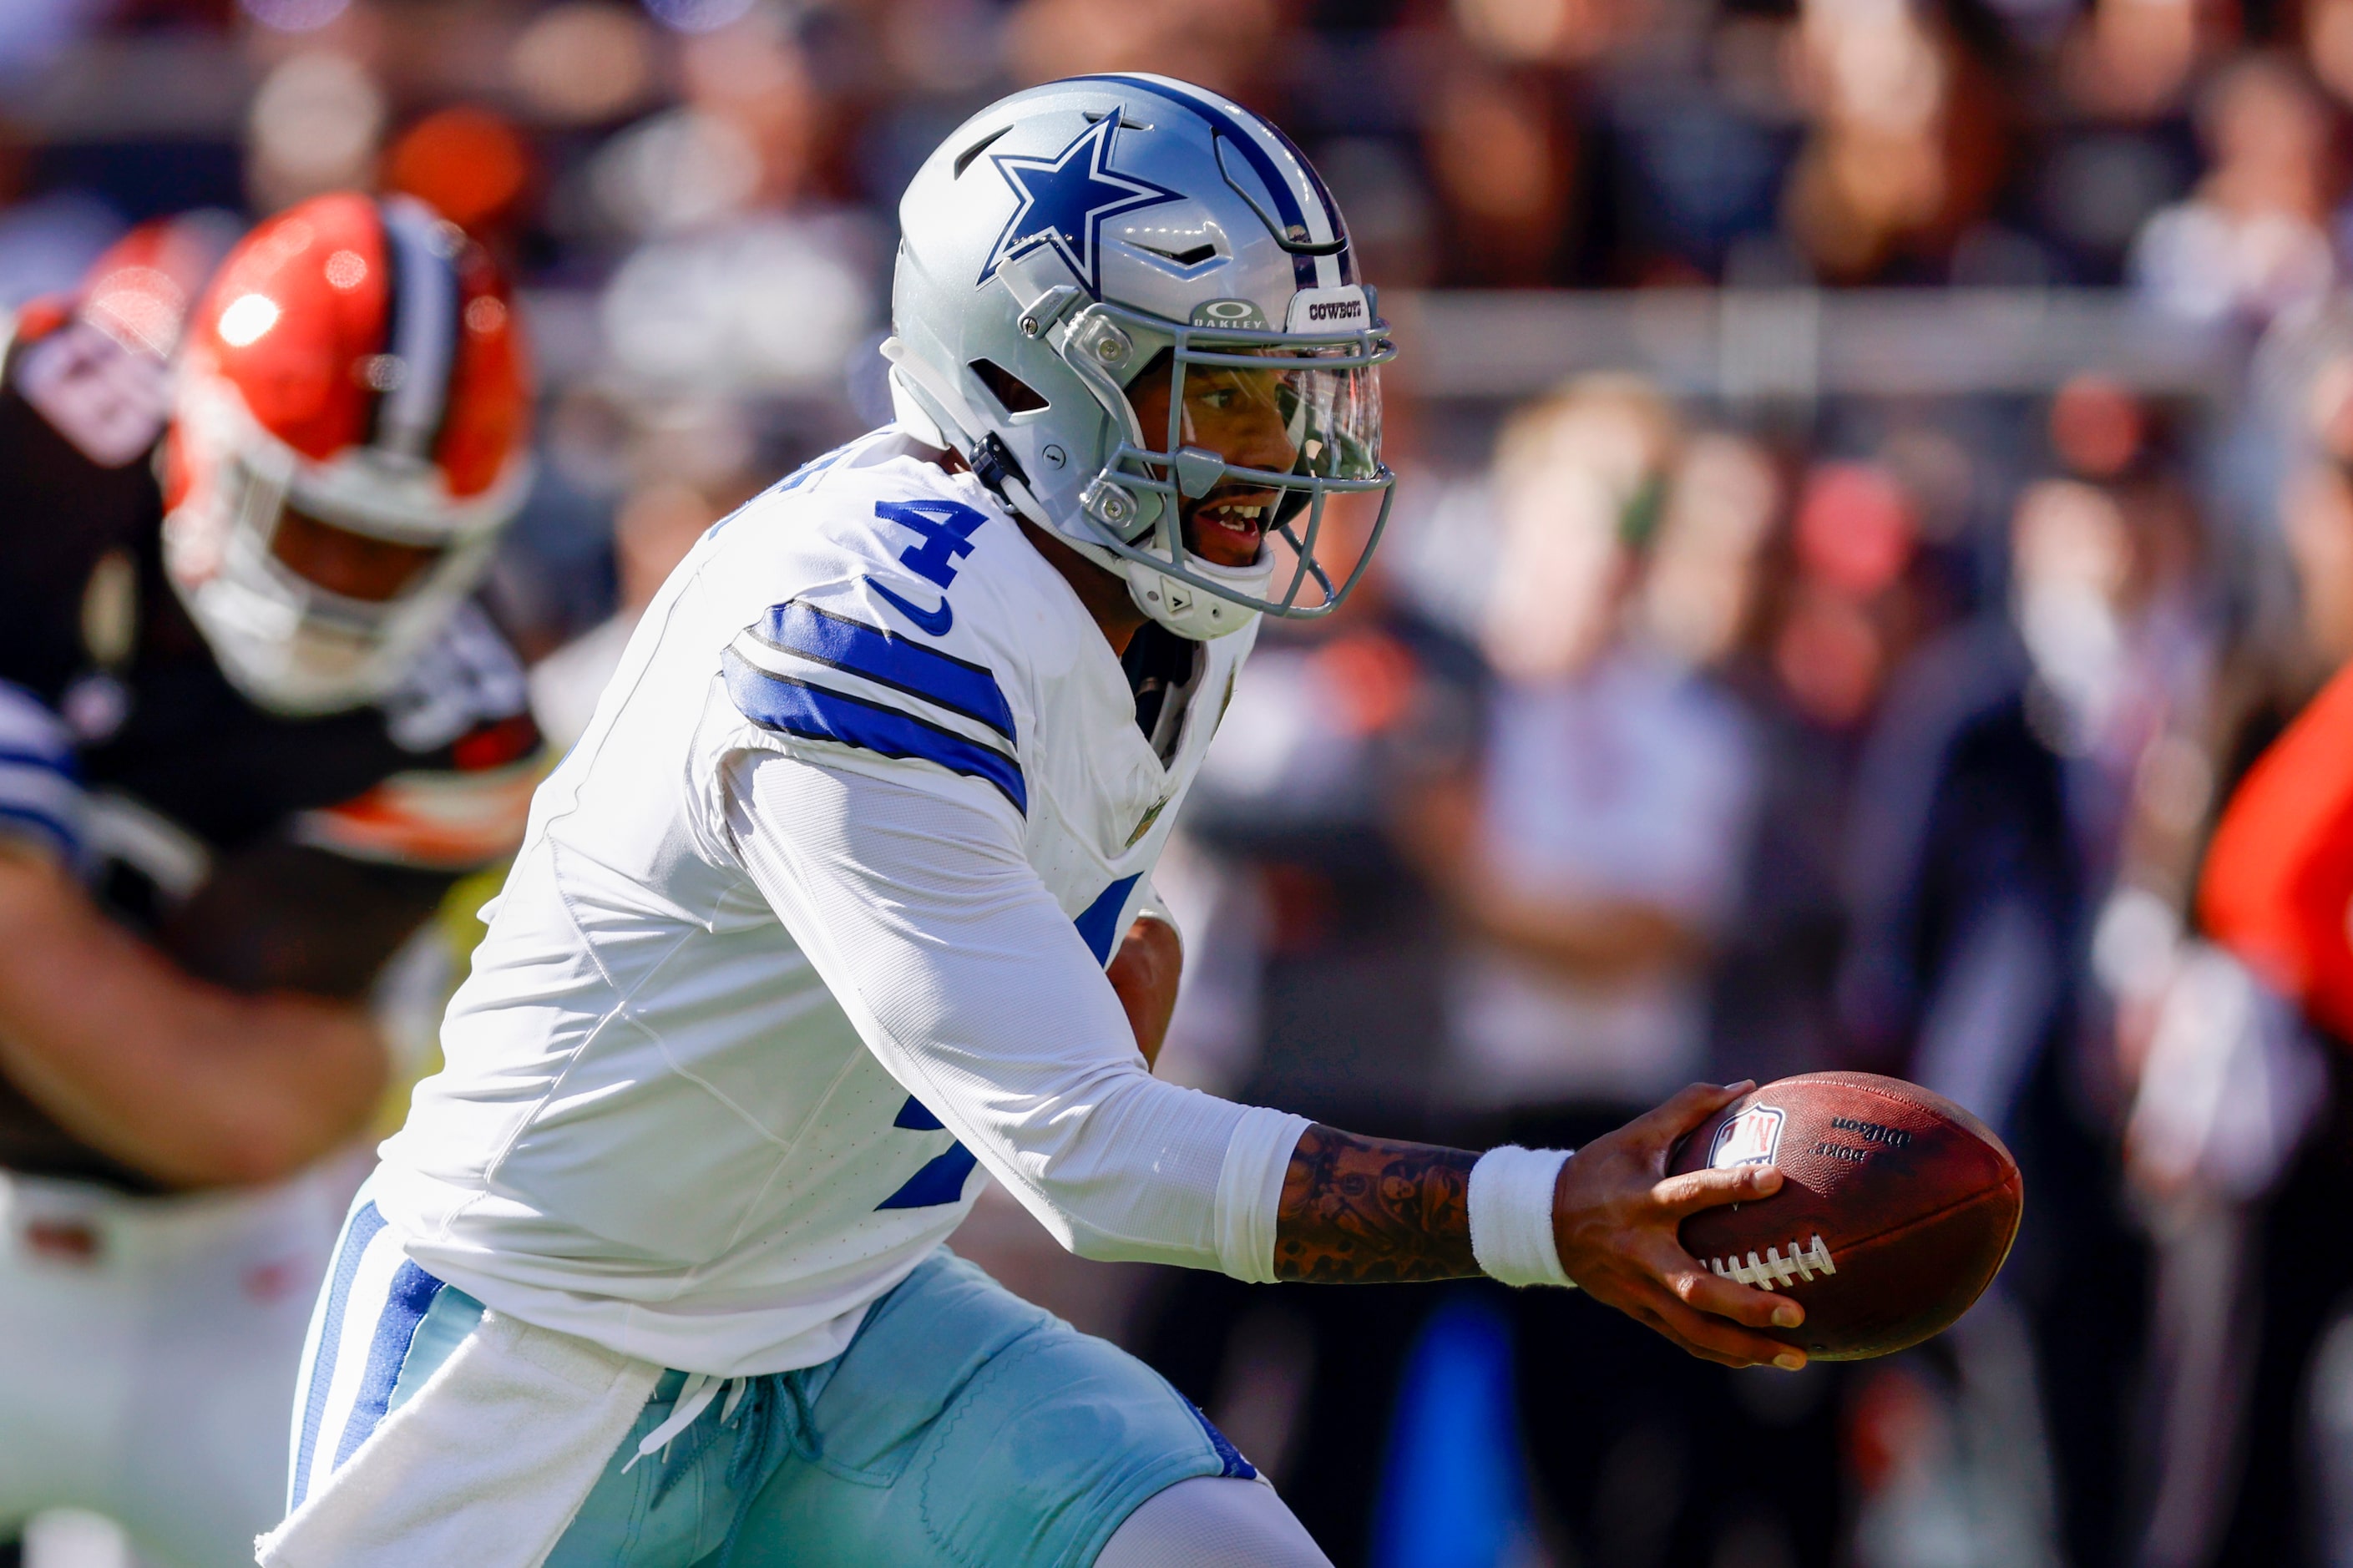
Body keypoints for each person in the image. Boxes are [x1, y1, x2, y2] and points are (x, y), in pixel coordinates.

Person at [265, 77, 1804, 1568]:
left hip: (843, 1314)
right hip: (545, 1356)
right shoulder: (862, 632)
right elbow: (1092, 1161)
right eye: (1234, 390)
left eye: (1300, 387)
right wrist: (1542, 1210)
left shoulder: (1160, 586)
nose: (1290, 449)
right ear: (1038, 381)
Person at [0, 193, 540, 1566]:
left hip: (223, 1290)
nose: (342, 589)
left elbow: (220, 1100)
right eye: (309, 523)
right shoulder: (34, 430)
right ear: (197, 433)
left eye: (396, 551)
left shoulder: (456, 727)